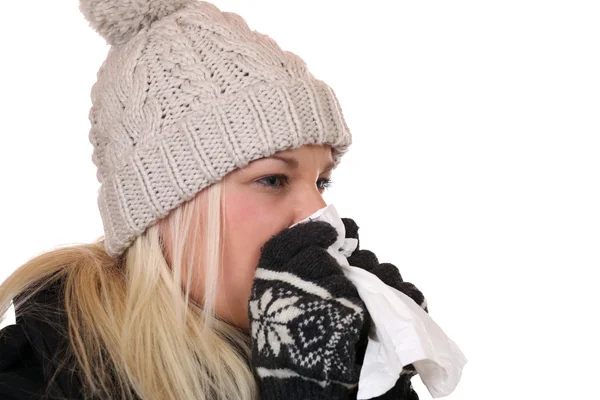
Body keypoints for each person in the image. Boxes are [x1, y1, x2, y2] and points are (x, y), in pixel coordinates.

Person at [0, 0, 428, 399]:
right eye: (274, 179)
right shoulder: (27, 381)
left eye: (323, 183)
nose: (322, 215)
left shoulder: (325, 355)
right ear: (166, 207)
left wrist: (372, 379)